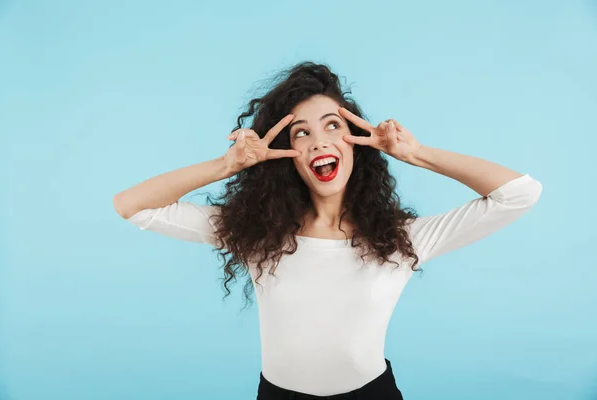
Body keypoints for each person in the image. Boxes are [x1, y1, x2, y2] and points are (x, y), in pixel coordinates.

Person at [113, 61, 543, 400]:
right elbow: (131, 205)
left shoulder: (401, 239)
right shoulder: (256, 234)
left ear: (356, 138)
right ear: (286, 153)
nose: (319, 142)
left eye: (333, 126)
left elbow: (519, 194)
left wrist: (417, 153)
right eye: (302, 133)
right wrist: (226, 165)